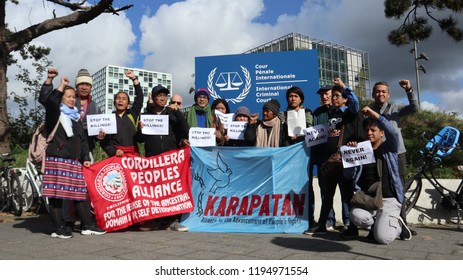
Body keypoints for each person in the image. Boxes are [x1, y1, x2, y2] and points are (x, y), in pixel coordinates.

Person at [39, 68, 105, 238]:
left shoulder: (75, 118)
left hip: (74, 161)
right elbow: (48, 101)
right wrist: (55, 82)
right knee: (56, 195)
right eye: (68, 97)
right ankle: (58, 228)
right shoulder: (55, 114)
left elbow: (82, 141)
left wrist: (85, 158)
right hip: (57, 158)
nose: (71, 99)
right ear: (61, 98)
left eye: (71, 97)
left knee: (80, 194)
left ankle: (87, 226)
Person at [345, 106, 412, 244]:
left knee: (383, 239)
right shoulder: (361, 150)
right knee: (355, 215)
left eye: (373, 130)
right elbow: (348, 176)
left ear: (381, 132)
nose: (369, 132)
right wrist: (350, 156)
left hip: (389, 199)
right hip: (370, 199)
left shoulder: (389, 149)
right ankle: (378, 225)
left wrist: (375, 115)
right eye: (366, 130)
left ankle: (398, 225)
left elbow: (393, 133)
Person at [310, 78, 361, 235]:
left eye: (338, 96)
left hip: (344, 161)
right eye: (334, 96)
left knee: (346, 195)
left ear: (345, 99)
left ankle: (350, 225)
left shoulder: (349, 112)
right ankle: (322, 224)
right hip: (329, 161)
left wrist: (344, 87)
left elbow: (356, 103)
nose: (334, 98)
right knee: (327, 195)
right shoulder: (331, 113)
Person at [136, 84, 190, 231]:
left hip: (170, 159)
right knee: (155, 191)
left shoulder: (172, 114)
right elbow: (139, 139)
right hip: (153, 159)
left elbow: (186, 131)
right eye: (159, 95)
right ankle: (156, 221)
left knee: (172, 191)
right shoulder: (145, 115)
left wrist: (178, 113)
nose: (162, 98)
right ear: (153, 98)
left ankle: (172, 221)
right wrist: (141, 130)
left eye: (164, 95)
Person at [369, 80, 418, 229]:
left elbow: (414, 108)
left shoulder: (395, 108)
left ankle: (402, 223)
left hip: (397, 154)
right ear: (373, 94)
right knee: (379, 186)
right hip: (377, 154)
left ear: (388, 94)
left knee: (399, 187)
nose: (380, 94)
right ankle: (380, 222)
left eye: (384, 91)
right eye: (378, 91)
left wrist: (409, 90)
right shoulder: (369, 111)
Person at [304, 85, 337, 233]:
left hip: (339, 156)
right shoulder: (317, 112)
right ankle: (329, 220)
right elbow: (313, 134)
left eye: (327, 94)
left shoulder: (340, 110)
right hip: (322, 158)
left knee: (345, 190)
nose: (324, 97)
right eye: (322, 95)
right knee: (325, 190)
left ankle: (348, 222)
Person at [98, 70, 143, 156]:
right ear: (114, 102)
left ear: (128, 104)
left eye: (124, 99)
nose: (121, 100)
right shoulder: (108, 119)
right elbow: (105, 143)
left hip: (133, 156)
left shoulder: (132, 114)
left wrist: (134, 78)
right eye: (118, 98)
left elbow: (139, 98)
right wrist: (114, 151)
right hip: (116, 156)